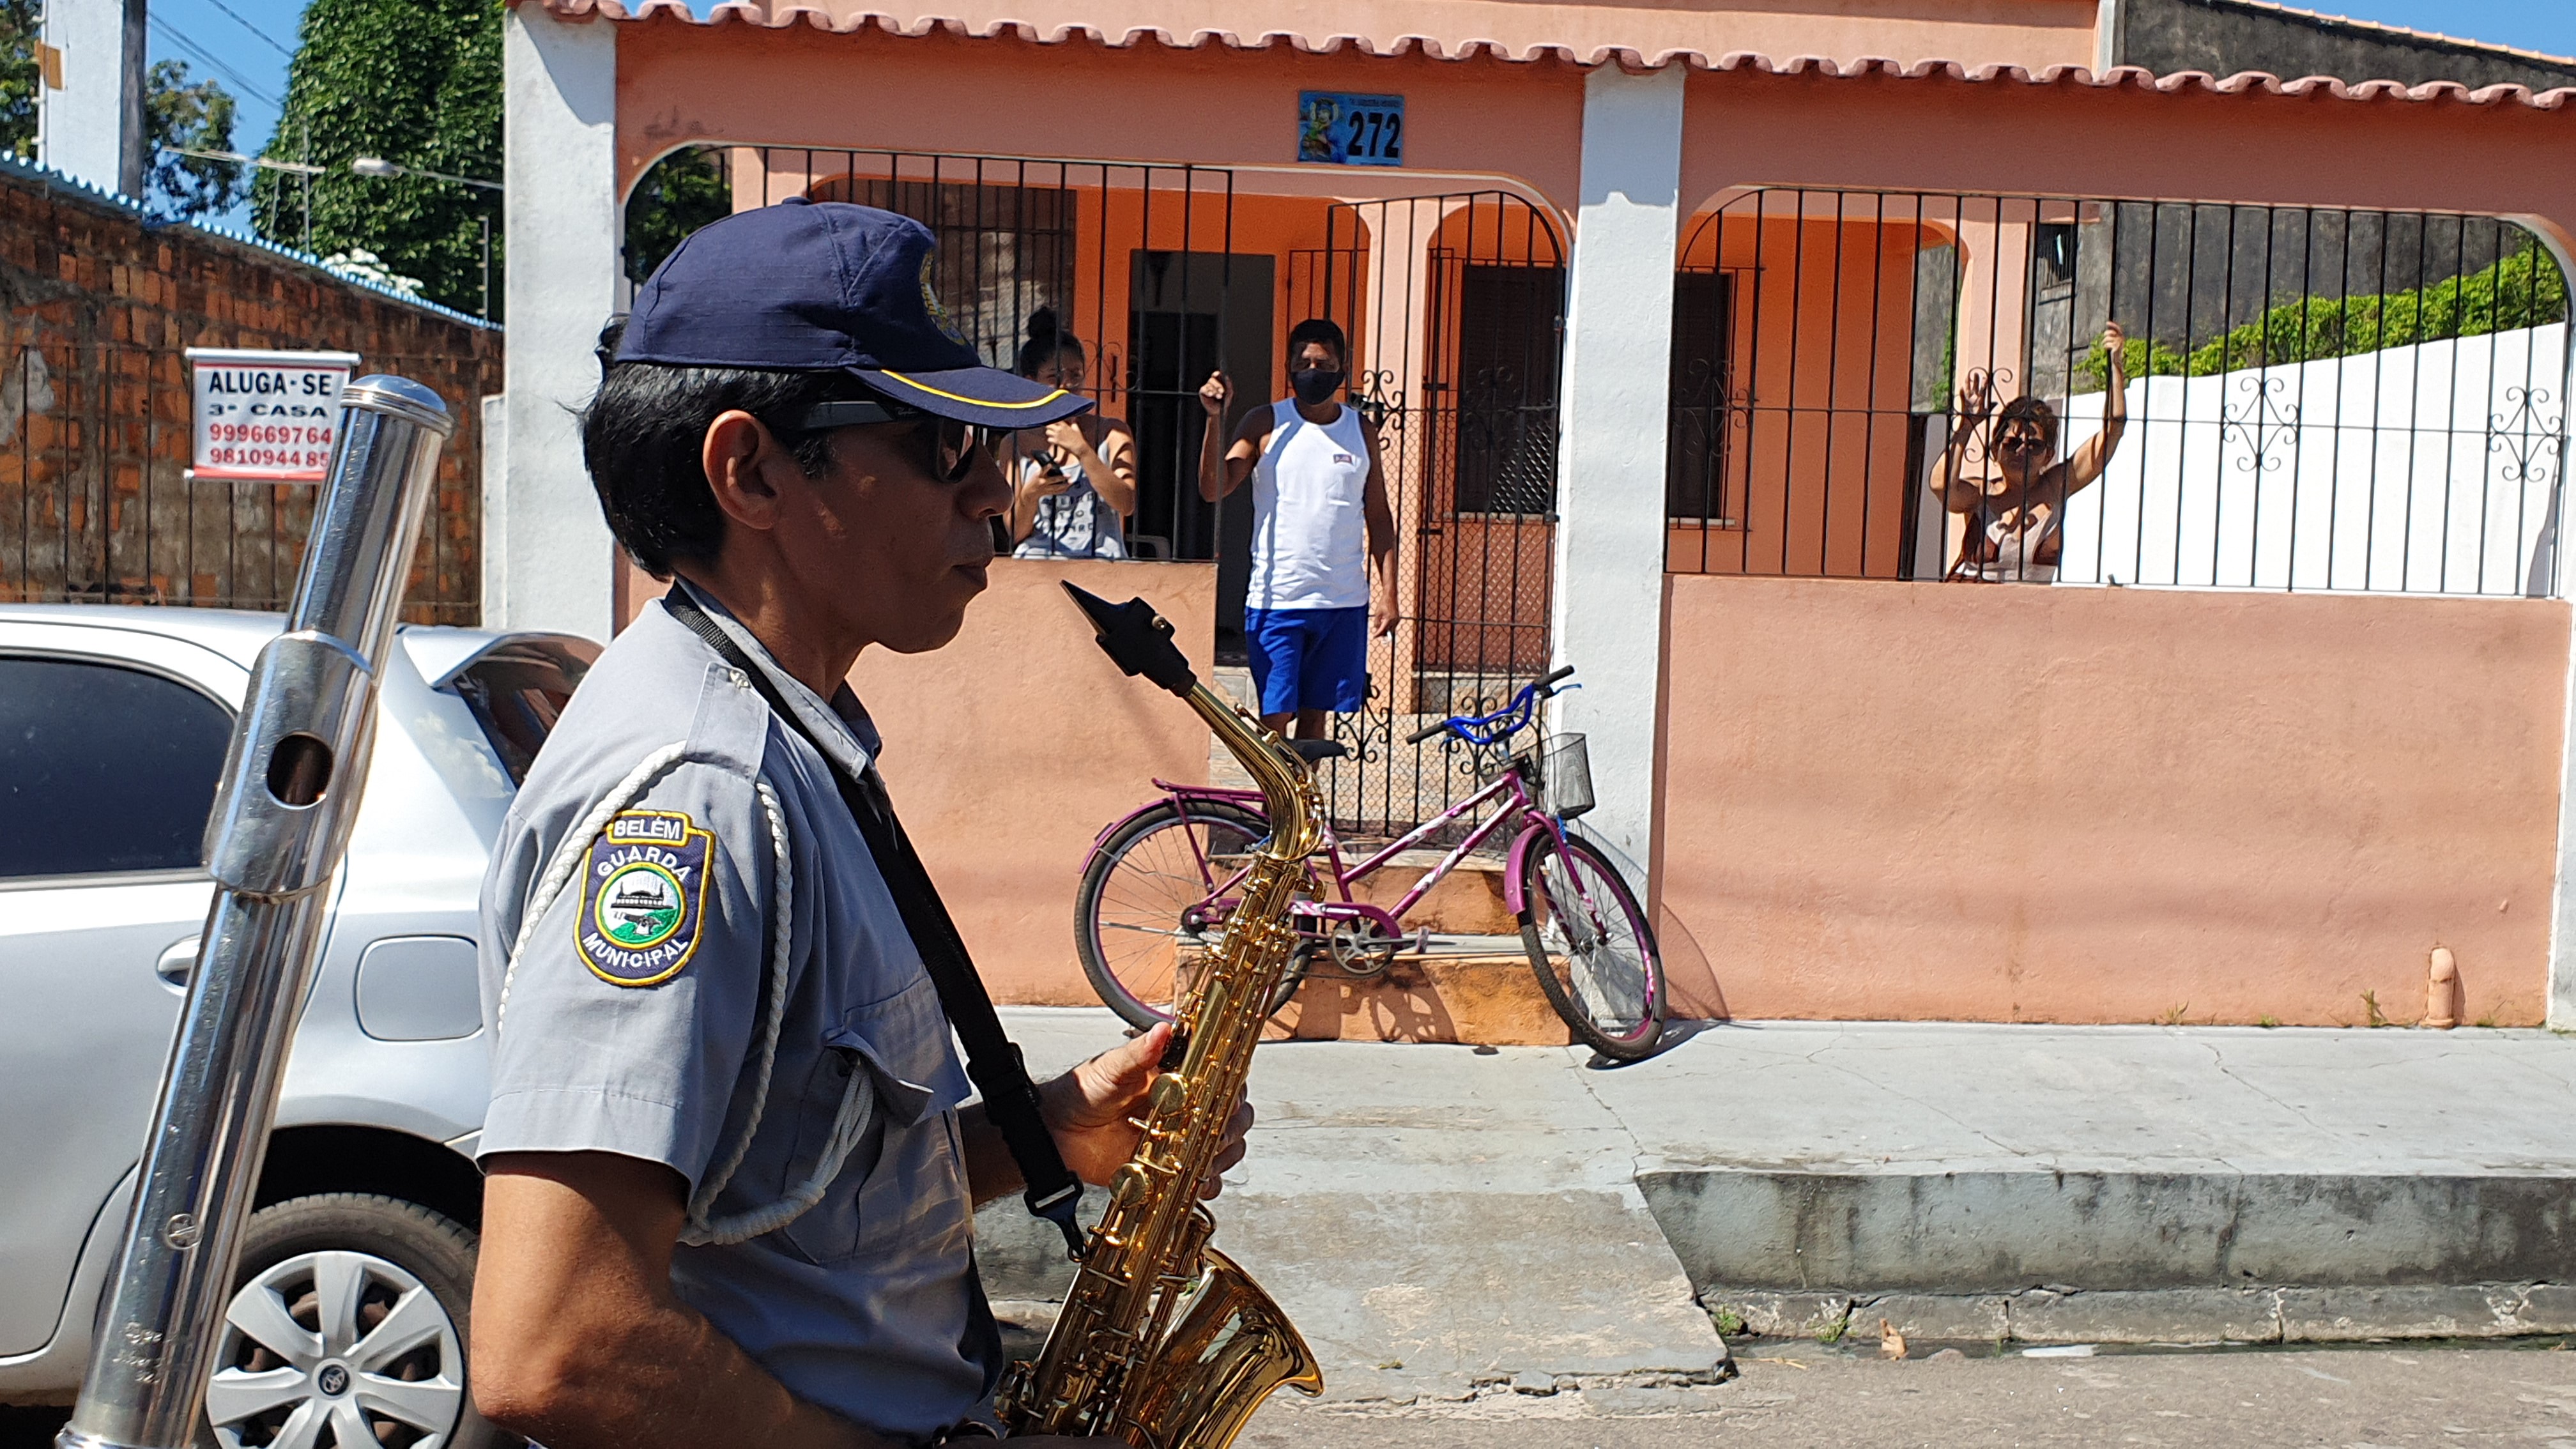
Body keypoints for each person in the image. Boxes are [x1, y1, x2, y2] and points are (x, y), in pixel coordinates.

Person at [466, 198, 1250, 1449]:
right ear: (752, 470)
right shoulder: (694, 799)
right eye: (942, 444)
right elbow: (554, 1343)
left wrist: (1043, 1128)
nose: (1000, 498)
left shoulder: (786, 741)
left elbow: (792, 1193)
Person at [1195, 318, 1398, 740]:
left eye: (1323, 363)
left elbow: (1379, 517)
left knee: (1315, 721)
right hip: (1278, 600)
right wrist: (1215, 420)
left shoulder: (1360, 432)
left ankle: (1301, 809)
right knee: (1274, 719)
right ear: (1288, 366)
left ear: (1343, 368)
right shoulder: (1264, 424)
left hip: (1343, 603)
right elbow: (1214, 488)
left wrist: (1389, 594)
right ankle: (1274, 806)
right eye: (1303, 362)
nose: (1312, 371)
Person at [1933, 321, 2129, 583]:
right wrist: (1966, 426)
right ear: (1995, 450)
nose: (2022, 451)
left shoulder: (2057, 486)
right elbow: (1941, 486)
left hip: (2033, 617)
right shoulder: (1979, 496)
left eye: (2033, 445)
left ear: (2048, 456)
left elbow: (2113, 431)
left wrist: (2116, 368)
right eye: (2012, 443)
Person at [998, 309, 1138, 559]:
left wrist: (1084, 452)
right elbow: (1015, 533)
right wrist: (1032, 493)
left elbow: (1126, 504)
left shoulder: (1112, 432)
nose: (1067, 386)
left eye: (1075, 374)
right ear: (1031, 382)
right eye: (1054, 377)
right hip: (1038, 566)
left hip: (1103, 562)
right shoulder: (1016, 443)